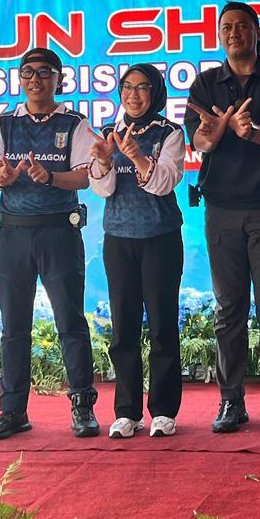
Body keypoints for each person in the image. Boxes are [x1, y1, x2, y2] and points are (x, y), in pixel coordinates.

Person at [184, 1, 260, 434]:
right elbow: (199, 140)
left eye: (242, 26)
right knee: (228, 309)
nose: (234, 33)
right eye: (226, 27)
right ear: (219, 35)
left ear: (258, 33)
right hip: (222, 209)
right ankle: (230, 401)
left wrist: (250, 131)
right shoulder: (205, 83)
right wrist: (214, 134)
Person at [0, 48, 100, 439]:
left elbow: (84, 178)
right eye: (27, 72)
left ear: (59, 80)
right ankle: (13, 411)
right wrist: (3, 178)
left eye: (45, 72)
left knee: (70, 322)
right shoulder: (4, 123)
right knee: (14, 327)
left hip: (58, 232)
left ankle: (82, 405)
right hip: (13, 234)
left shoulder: (74, 123)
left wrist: (49, 177)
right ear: (20, 78)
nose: (35, 79)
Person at [88, 63, 186, 438]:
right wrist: (104, 160)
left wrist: (138, 157)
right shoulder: (108, 134)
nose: (133, 95)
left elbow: (165, 183)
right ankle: (126, 411)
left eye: (142, 87)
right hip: (119, 239)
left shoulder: (170, 132)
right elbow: (103, 189)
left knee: (162, 325)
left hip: (160, 238)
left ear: (156, 93)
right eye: (127, 87)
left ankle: (163, 410)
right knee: (123, 327)